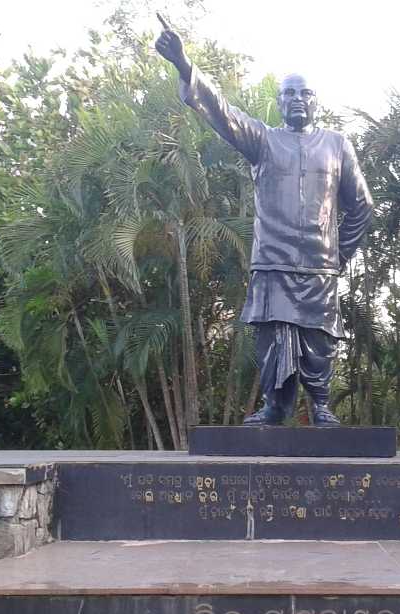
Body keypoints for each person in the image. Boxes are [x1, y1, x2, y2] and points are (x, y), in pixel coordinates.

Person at [154, 16, 373, 426]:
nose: (296, 99)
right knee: (272, 338)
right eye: (288, 92)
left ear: (315, 101)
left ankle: (322, 406)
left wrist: (339, 253)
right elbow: (223, 112)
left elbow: (361, 205)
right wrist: (185, 65)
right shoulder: (264, 140)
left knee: (320, 337)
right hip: (272, 260)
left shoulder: (337, 145)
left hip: (319, 265)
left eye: (304, 92)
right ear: (279, 101)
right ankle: (275, 407)